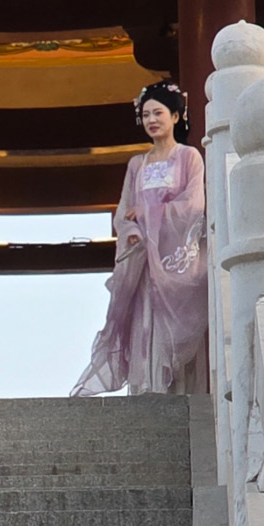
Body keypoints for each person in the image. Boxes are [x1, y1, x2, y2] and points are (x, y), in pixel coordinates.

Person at [73, 81, 210, 396]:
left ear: (175, 116)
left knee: (173, 327)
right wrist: (134, 232)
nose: (151, 120)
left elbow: (194, 206)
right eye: (146, 114)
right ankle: (146, 388)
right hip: (144, 262)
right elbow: (124, 213)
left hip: (174, 261)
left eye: (158, 113)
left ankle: (176, 391)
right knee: (144, 321)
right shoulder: (137, 164)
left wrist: (149, 213)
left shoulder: (189, 157)